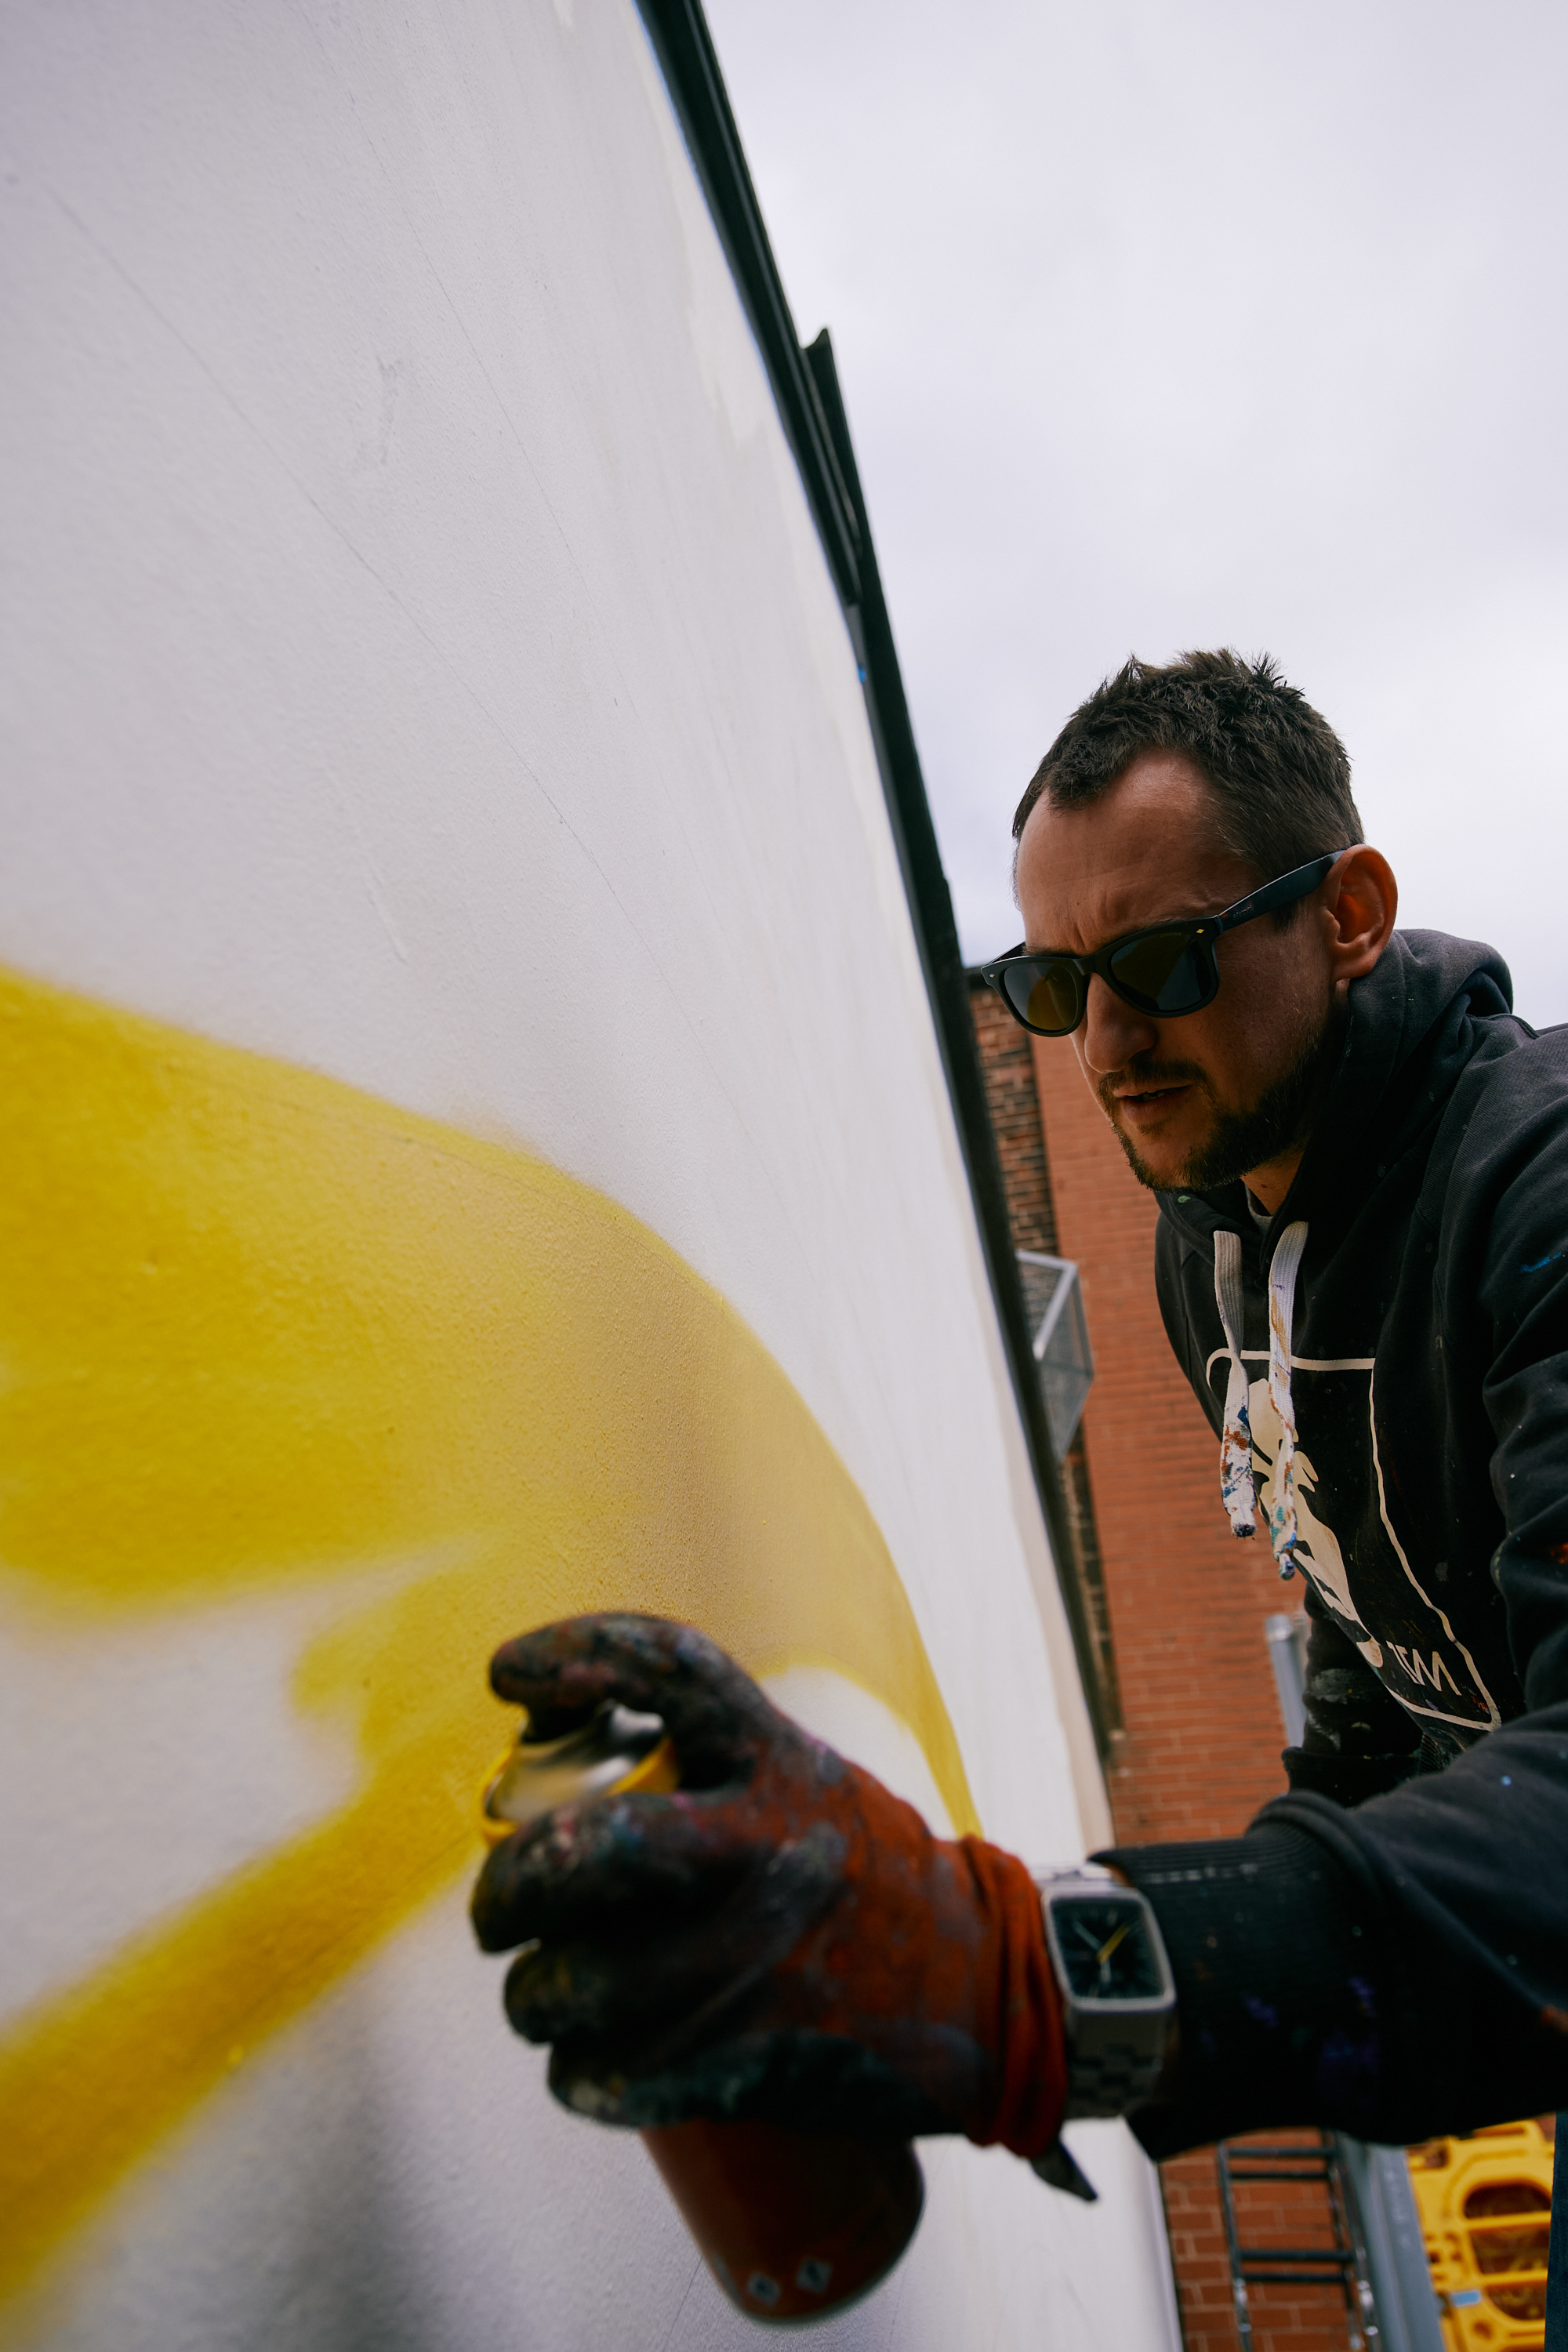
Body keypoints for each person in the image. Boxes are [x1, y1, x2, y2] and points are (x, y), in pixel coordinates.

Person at [471, 651, 1568, 2188]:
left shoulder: (1538, 1185)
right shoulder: (1206, 1246)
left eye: (1163, 964)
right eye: (1054, 988)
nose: (1105, 1047)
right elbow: (1372, 1642)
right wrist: (1177, 1924)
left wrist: (1038, 1973)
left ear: (1348, 914)